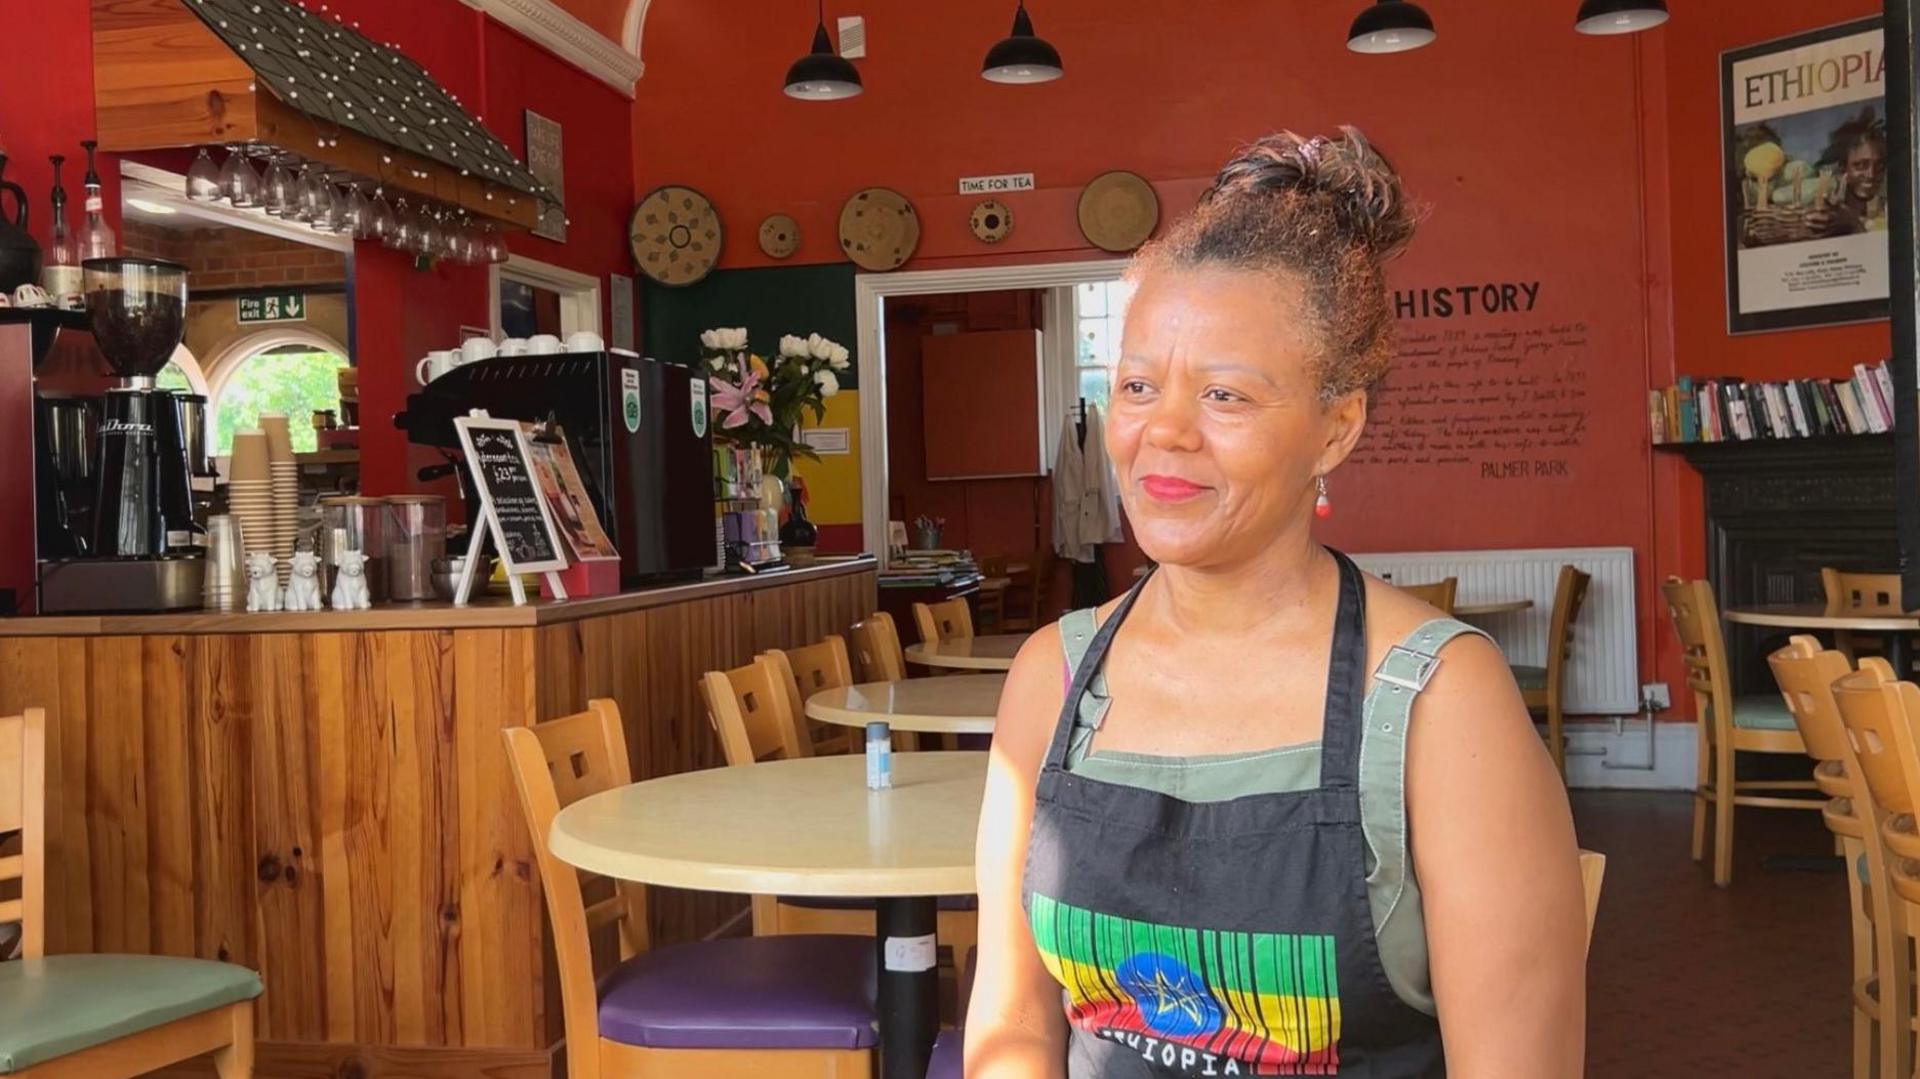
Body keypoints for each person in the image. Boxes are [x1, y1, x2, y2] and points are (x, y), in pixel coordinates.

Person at [965, 128, 1586, 1078]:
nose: (1163, 431)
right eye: (1137, 385)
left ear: (1337, 427)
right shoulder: (1050, 676)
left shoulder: (1435, 701)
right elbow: (1011, 1027)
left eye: (1225, 394)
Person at [1807, 108, 1888, 236]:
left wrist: (1854, 223)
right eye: (1861, 165)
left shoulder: (1887, 213)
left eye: (1879, 167)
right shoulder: (1826, 212)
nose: (1871, 175)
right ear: (1843, 168)